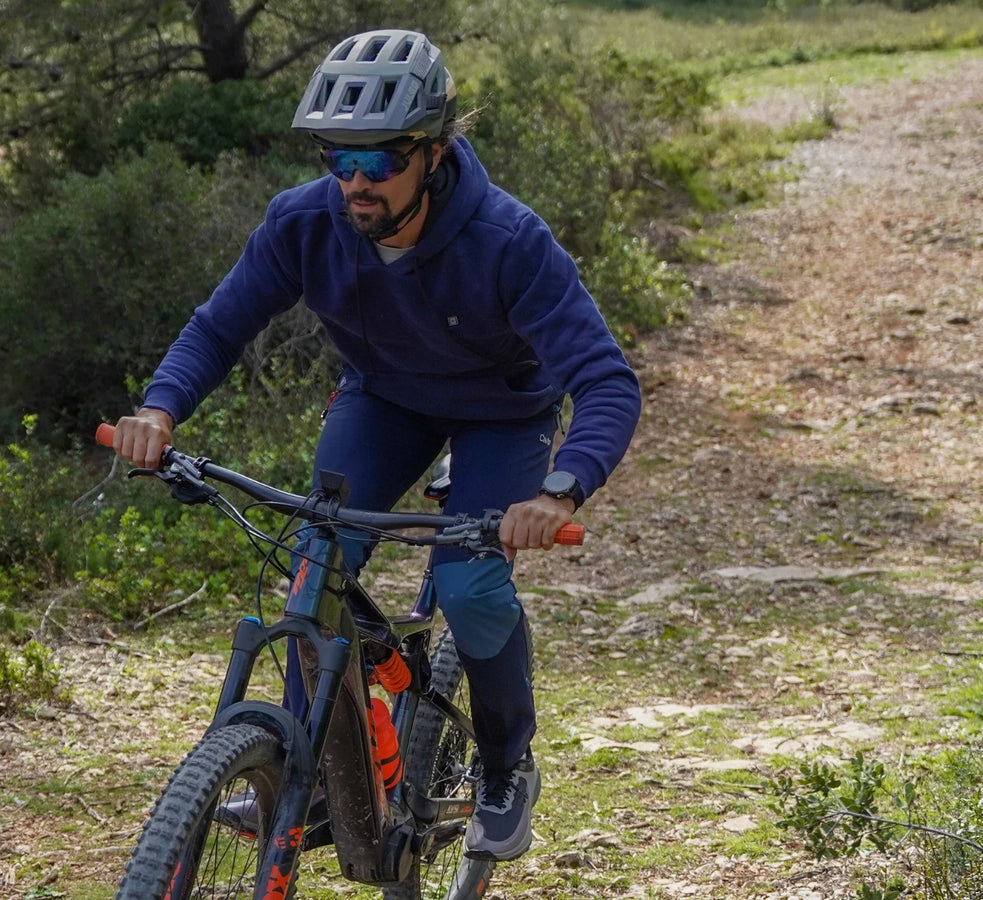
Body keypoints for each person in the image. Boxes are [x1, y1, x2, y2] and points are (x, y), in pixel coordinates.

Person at [110, 28, 640, 863]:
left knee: (469, 588)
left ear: (433, 152)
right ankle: (310, 772)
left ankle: (505, 766)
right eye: (338, 158)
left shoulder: (508, 242)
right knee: (314, 566)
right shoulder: (303, 223)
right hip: (385, 399)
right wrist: (160, 409)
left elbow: (607, 381)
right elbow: (219, 327)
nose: (356, 182)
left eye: (382, 159)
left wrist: (560, 489)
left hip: (501, 414)